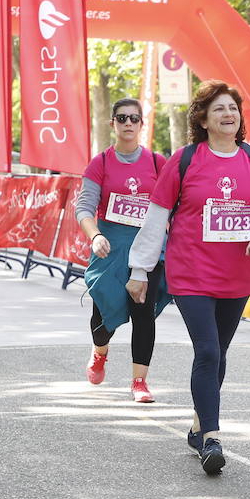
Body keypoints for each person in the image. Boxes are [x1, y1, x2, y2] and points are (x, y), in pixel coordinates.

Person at [127, 81, 250, 474]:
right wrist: (139, 269)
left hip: (237, 275)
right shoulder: (184, 160)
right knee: (208, 350)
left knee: (220, 352)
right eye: (218, 109)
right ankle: (212, 438)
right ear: (203, 118)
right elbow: (156, 219)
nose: (228, 114)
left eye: (232, 108)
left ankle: (199, 424)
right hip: (191, 273)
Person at [77, 98, 170, 403]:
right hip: (110, 250)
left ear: (142, 124)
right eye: (122, 118)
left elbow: (174, 206)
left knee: (144, 314)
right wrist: (95, 237)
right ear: (113, 123)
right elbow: (85, 208)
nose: (128, 123)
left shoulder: (158, 163)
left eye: (134, 118)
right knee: (103, 316)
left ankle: (139, 382)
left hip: (148, 250)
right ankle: (99, 351)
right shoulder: (100, 163)